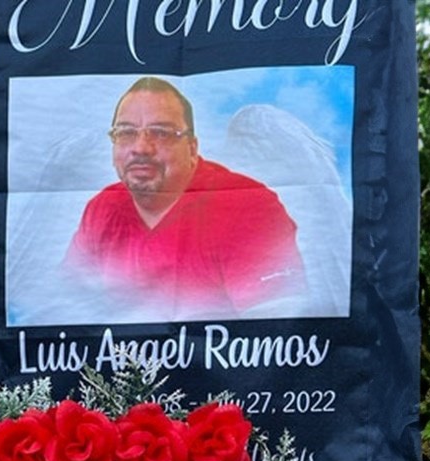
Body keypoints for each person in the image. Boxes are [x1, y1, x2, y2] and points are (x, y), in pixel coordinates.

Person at [66, 77, 306, 319]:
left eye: (161, 133)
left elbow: (275, 331)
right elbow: (65, 304)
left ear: (192, 149)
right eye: (126, 132)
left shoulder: (246, 204)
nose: (140, 147)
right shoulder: (102, 207)